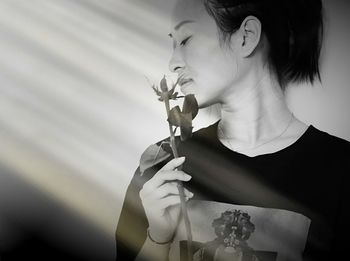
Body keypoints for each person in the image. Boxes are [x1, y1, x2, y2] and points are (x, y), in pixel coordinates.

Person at [116, 0, 350, 260]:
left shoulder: (341, 169)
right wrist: (157, 238)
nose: (173, 63)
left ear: (246, 37)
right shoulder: (161, 166)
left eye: (186, 39)